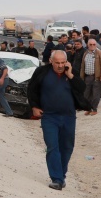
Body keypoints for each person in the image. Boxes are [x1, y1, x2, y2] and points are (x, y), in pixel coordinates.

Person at [27, 50, 90, 190]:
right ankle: (56, 178)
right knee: (52, 147)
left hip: (68, 117)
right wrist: (34, 107)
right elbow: (31, 89)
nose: (60, 65)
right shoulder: (42, 72)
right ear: (51, 61)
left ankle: (61, 175)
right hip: (49, 116)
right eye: (57, 63)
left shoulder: (71, 72)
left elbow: (82, 88)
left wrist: (70, 75)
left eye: (63, 62)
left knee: (67, 147)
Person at [80, 39, 101, 115]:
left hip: (96, 78)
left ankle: (94, 109)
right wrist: (82, 77)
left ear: (96, 45)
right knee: (86, 94)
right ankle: (88, 108)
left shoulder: (100, 54)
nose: (92, 46)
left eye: (94, 44)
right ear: (87, 45)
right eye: (90, 44)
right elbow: (82, 66)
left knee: (96, 94)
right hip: (87, 77)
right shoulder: (86, 53)